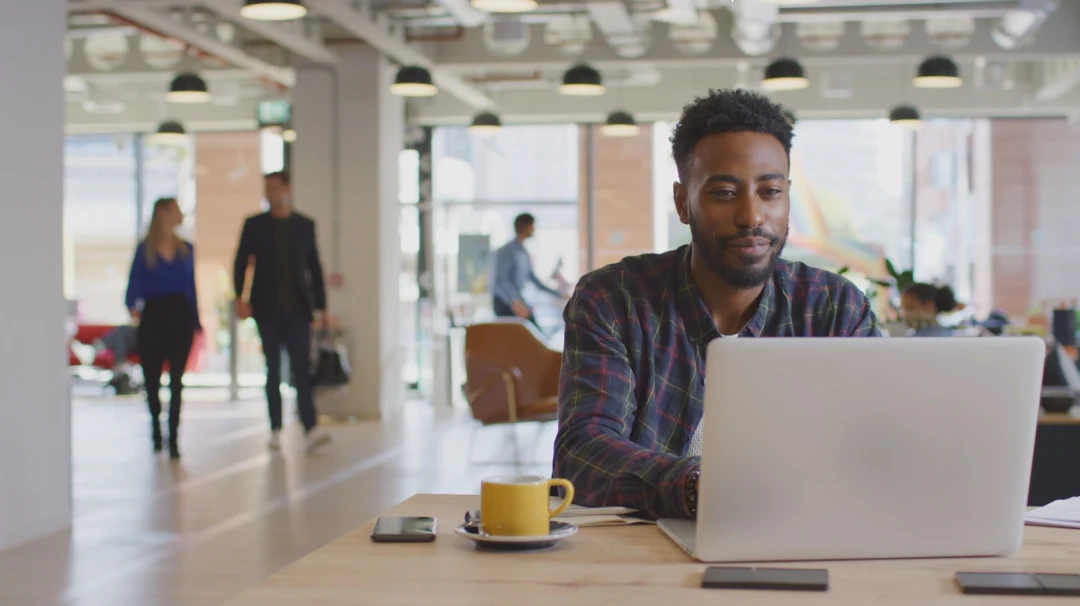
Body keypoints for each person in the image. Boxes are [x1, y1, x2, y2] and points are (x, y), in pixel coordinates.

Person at [553, 89, 880, 520]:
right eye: (725, 193)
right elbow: (582, 455)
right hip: (648, 557)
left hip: (806, 538)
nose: (751, 216)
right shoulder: (615, 301)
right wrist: (699, 489)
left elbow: (877, 448)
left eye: (770, 191)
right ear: (682, 202)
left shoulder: (835, 310)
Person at [233, 170, 331, 452]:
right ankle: (275, 428)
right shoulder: (254, 225)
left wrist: (321, 306)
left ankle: (310, 426)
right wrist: (240, 297)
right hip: (266, 309)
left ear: (287, 189)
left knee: (301, 369)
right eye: (267, 189)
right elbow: (242, 262)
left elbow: (314, 268)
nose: (271, 194)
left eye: (275, 188)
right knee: (272, 370)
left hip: (298, 310)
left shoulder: (303, 225)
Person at [125, 197, 200, 459]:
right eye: (176, 209)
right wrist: (131, 304)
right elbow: (133, 283)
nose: (181, 214)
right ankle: (156, 430)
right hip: (154, 317)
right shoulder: (145, 249)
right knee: (152, 379)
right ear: (165, 213)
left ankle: (174, 437)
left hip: (180, 317)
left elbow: (191, 288)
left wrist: (196, 321)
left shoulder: (187, 249)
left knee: (177, 381)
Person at [489, 213, 564, 331]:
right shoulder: (506, 250)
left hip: (518, 300)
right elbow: (501, 281)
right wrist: (514, 302)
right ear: (524, 227)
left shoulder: (523, 252)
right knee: (527, 333)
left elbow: (533, 279)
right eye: (531, 226)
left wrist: (558, 294)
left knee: (535, 333)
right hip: (505, 302)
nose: (534, 229)